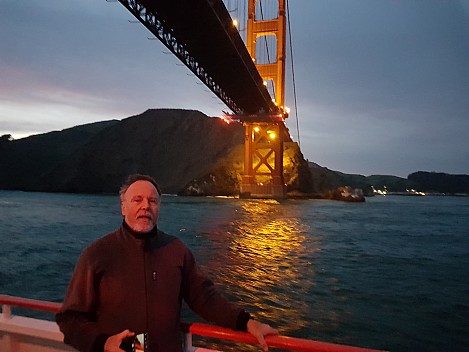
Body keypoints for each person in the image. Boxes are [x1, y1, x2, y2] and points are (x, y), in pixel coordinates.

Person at [56, 174, 278, 352]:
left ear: (158, 208)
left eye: (152, 201)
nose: (146, 206)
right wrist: (103, 343)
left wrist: (246, 322)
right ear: (123, 208)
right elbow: (70, 318)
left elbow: (204, 297)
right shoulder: (97, 254)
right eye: (137, 200)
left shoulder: (175, 250)